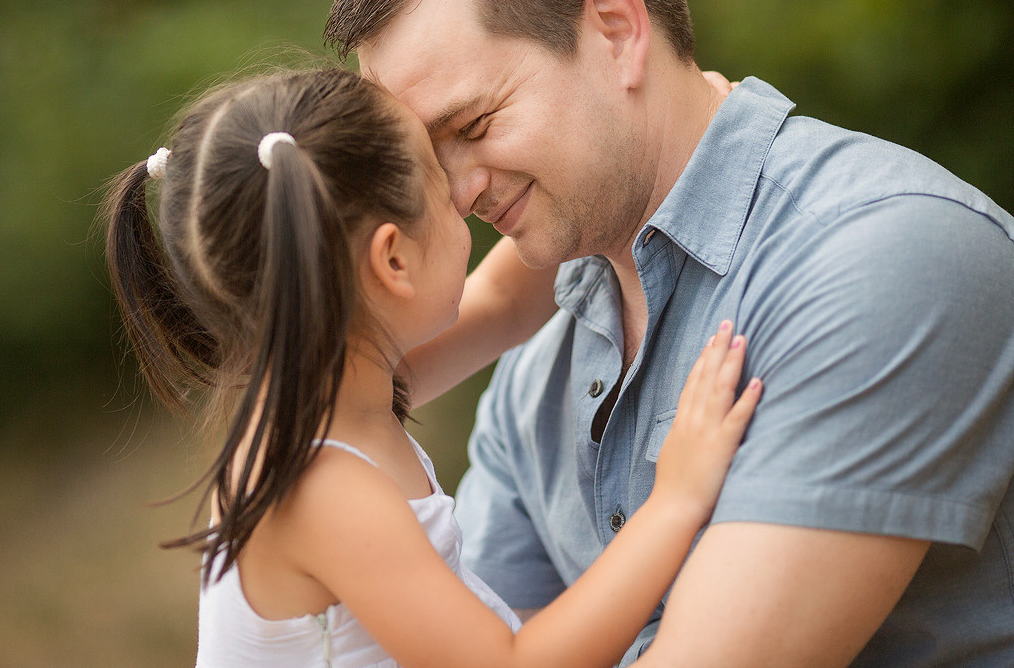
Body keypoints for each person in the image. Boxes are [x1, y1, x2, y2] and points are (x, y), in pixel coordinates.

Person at [324, 0, 1014, 665]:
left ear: (616, 28)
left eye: (475, 123)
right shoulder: (530, 379)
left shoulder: (884, 258)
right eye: (424, 158)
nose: (455, 191)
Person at [101, 67, 760, 668]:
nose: (472, 200)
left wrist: (662, 142)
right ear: (393, 261)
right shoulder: (320, 490)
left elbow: (504, 300)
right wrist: (673, 502)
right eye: (446, 194)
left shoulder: (329, 388)